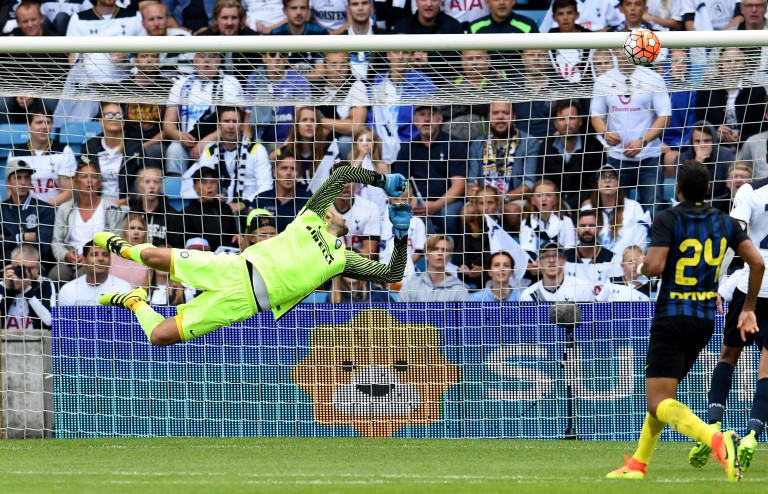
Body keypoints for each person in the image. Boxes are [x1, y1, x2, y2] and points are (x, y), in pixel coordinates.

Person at [94, 167, 412, 346]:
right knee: (152, 256)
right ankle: (124, 248)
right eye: (336, 209)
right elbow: (342, 173)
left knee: (159, 336)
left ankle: (136, 302)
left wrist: (400, 235)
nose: (341, 213)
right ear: (328, 213)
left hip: (243, 304)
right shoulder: (310, 215)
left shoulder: (343, 259)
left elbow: (393, 274)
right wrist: (382, 181)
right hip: (233, 268)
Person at [606, 160, 765, 483]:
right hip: (704, 319)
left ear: (677, 189)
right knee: (662, 394)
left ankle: (716, 440)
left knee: (658, 400)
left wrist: (641, 267)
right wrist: (748, 307)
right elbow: (757, 263)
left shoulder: (669, 218)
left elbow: (654, 266)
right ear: (708, 189)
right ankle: (638, 463)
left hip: (673, 315)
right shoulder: (723, 221)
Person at [687, 167, 768, 474]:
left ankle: (712, 429)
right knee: (766, 369)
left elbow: (731, 240)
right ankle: (751, 436)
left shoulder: (749, 191)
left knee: (728, 357)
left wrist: (716, 283)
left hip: (750, 287)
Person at [591, 51, 671, 212]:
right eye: (621, 47)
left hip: (649, 157)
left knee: (653, 208)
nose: (624, 52)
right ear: (614, 51)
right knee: (617, 211)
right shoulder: (602, 81)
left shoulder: (653, 78)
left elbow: (665, 116)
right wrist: (605, 133)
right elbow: (596, 116)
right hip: (617, 158)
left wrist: (643, 141)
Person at [163, 51, 245, 176]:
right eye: (202, 56)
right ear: (194, 60)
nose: (207, 60)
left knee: (209, 150)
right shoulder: (180, 84)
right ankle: (176, 189)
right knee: (174, 150)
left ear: (220, 60)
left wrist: (203, 143)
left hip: (217, 140)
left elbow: (234, 123)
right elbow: (168, 121)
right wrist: (179, 135)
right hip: (186, 140)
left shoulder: (230, 83)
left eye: (212, 56)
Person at [392, 105, 466, 235]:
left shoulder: (454, 144)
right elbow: (399, 185)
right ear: (414, 120)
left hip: (447, 202)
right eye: (422, 114)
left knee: (448, 215)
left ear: (440, 118)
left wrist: (436, 205)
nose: (426, 119)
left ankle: (448, 246)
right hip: (417, 203)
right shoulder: (407, 149)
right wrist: (412, 200)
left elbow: (459, 185)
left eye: (431, 114)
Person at [182, 106, 273, 211]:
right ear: (219, 126)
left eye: (235, 121)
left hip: (250, 209)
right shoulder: (209, 152)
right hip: (217, 209)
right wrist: (211, 197)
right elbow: (198, 184)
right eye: (226, 121)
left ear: (241, 125)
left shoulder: (257, 150)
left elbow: (266, 187)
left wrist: (243, 204)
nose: (231, 126)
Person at [50, 162, 128, 284]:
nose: (90, 181)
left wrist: (90, 257)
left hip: (99, 258)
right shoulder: (64, 209)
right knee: (55, 275)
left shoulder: (111, 209)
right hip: (71, 260)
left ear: (99, 183)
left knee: (82, 276)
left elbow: (115, 241)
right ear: (77, 182)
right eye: (85, 177)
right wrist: (66, 255)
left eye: (94, 177)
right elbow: (56, 242)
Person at [7, 101, 76, 207]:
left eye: (48, 122)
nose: (44, 127)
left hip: (55, 210)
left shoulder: (64, 151)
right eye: (39, 122)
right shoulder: (15, 154)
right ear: (28, 126)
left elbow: (68, 192)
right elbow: (11, 191)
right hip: (25, 211)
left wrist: (43, 209)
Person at [81, 101, 150, 205]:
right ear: (101, 121)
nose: (114, 118)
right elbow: (81, 180)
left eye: (118, 115)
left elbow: (146, 178)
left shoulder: (135, 148)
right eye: (109, 115)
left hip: (127, 206)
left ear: (123, 122)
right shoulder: (90, 147)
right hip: (95, 206)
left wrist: (126, 201)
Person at [541, 99, 604, 209]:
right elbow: (543, 181)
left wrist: (568, 205)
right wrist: (558, 204)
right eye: (562, 119)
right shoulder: (546, 147)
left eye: (571, 118)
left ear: (580, 121)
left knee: (589, 205)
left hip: (582, 204)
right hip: (553, 205)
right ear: (555, 123)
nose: (567, 123)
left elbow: (594, 186)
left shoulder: (594, 147)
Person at [0, 159, 57, 275]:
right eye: (18, 178)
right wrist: (23, 237)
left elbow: (43, 247)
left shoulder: (45, 209)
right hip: (5, 266)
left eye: (26, 178)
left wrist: (7, 239)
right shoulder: (1, 209)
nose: (23, 182)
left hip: (36, 268)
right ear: (8, 182)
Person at [251, 151, 312, 232]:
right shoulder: (261, 199)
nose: (289, 173)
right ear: (274, 173)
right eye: (284, 168)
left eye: (293, 169)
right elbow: (250, 233)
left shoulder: (309, 200)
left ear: (298, 174)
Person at [397, 234, 470, 303]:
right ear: (426, 255)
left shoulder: (459, 289)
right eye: (435, 249)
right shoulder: (410, 287)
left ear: (449, 257)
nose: (440, 253)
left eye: (444, 250)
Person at [58, 240, 133, 306]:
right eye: (94, 254)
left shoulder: (125, 289)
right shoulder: (68, 290)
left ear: (110, 260)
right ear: (84, 259)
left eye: (105, 255)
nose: (101, 258)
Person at [0, 244, 56, 330]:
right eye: (21, 267)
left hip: (35, 338)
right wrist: (4, 287)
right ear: (11, 266)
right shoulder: (3, 283)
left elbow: (49, 322)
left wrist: (27, 290)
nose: (26, 272)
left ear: (38, 268)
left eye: (31, 268)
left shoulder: (45, 284)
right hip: (6, 337)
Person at [519, 241, 594, 302]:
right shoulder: (528, 295)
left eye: (556, 256)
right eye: (546, 256)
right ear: (539, 263)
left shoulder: (582, 289)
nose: (551, 260)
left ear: (564, 261)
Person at [564, 208, 619, 287]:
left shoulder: (612, 258)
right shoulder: (565, 258)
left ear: (599, 229)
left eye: (592, 226)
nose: (587, 229)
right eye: (583, 226)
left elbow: (617, 290)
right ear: (575, 229)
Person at [110, 214, 151, 289]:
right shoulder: (113, 255)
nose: (136, 232)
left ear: (145, 234)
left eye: (140, 229)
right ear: (125, 232)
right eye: (132, 228)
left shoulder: (149, 258)